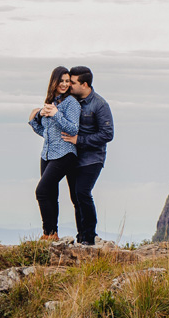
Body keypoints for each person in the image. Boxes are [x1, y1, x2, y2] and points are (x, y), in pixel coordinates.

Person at [62, 66, 114, 246]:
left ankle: (90, 237)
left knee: (83, 193)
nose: (69, 85)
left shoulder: (99, 105)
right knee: (76, 198)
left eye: (73, 82)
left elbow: (107, 134)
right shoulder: (69, 101)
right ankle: (81, 236)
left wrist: (79, 140)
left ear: (84, 84)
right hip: (72, 157)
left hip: (92, 158)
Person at [28, 67, 80, 241]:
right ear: (54, 82)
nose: (64, 84)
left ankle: (48, 232)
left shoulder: (71, 103)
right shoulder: (51, 101)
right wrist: (37, 117)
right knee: (51, 194)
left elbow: (73, 129)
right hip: (47, 154)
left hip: (65, 153)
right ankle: (52, 234)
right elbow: (44, 132)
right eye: (62, 81)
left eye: (67, 81)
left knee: (41, 191)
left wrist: (56, 114)